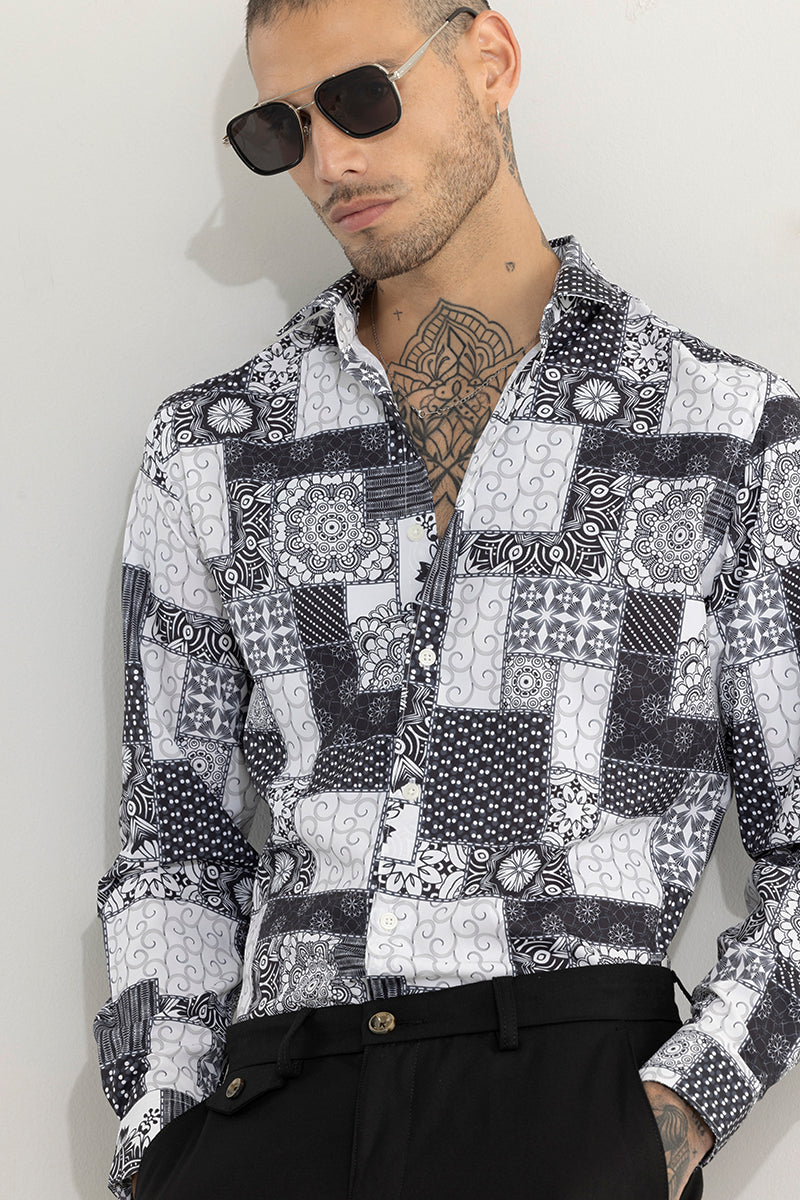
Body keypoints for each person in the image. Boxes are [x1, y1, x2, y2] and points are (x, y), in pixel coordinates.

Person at [94, 3, 800, 1198]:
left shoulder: (721, 433)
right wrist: (160, 1145)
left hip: (566, 1095)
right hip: (275, 1104)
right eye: (281, 129)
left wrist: (674, 1115)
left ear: (488, 60)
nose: (329, 161)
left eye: (359, 98)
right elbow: (176, 841)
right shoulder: (216, 446)